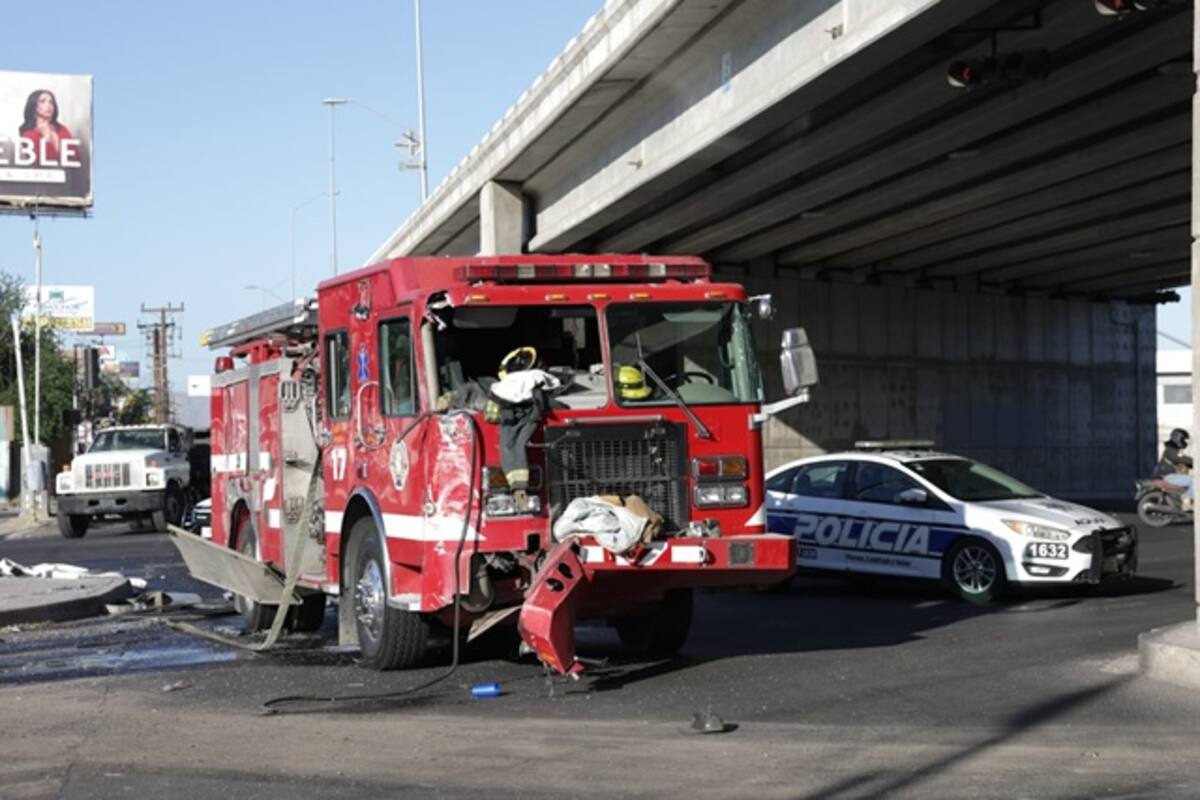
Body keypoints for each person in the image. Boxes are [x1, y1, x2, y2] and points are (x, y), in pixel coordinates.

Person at [19, 89, 72, 165]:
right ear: (34, 105)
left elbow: (75, 158)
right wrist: (46, 137)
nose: (48, 105)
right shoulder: (28, 134)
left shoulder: (62, 129)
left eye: (51, 102)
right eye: (42, 101)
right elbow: (44, 163)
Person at [1155, 428, 1193, 508]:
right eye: (1184, 439)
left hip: (1169, 475)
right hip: (1168, 476)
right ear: (1178, 438)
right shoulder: (1171, 450)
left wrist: (1191, 464)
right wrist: (1195, 461)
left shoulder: (1173, 449)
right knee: (1194, 480)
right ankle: (1186, 500)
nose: (1185, 442)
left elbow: (1182, 459)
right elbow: (1179, 458)